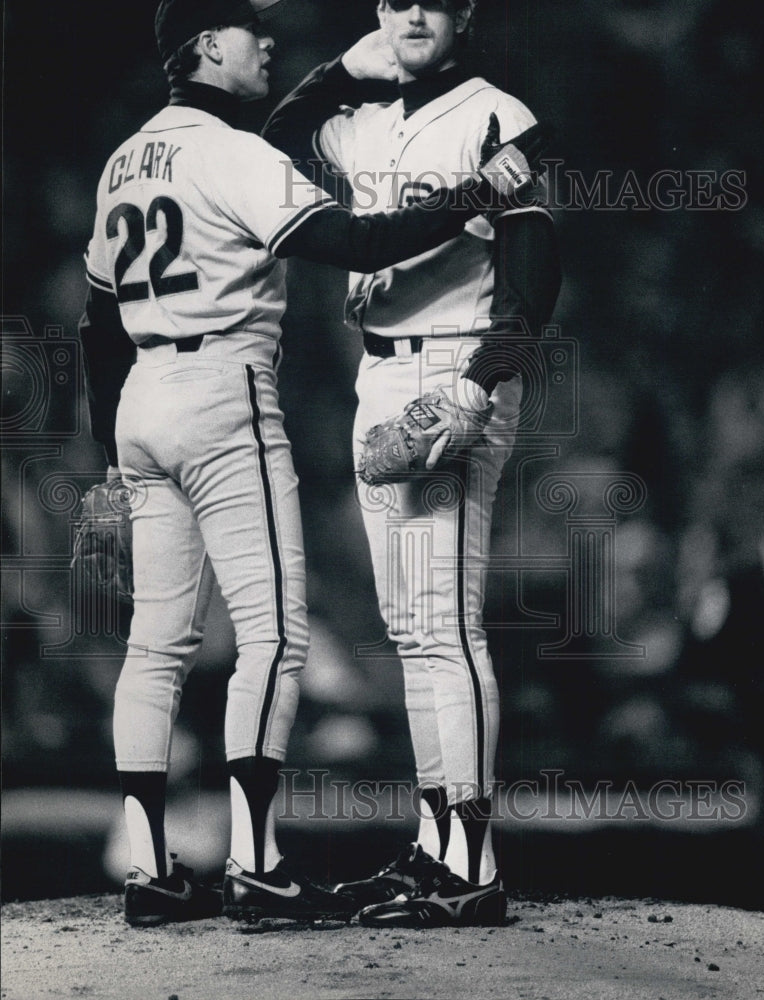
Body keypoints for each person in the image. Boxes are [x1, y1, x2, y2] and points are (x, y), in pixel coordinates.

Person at [79, 0, 542, 928]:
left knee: (162, 643)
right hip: (230, 392)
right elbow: (356, 236)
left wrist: (101, 467)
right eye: (251, 34)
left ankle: (151, 868)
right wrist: (464, 189)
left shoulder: (124, 157)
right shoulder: (255, 147)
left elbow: (96, 325)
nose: (268, 44)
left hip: (147, 400)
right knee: (295, 634)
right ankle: (273, 859)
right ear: (210, 46)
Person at [264, 0, 562, 927]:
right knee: (409, 629)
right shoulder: (358, 126)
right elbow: (265, 146)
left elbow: (535, 269)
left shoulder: (498, 116)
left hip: (452, 366)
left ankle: (472, 866)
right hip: (376, 373)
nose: (414, 13)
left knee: (444, 622)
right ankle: (437, 848)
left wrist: (483, 383)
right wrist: (341, 73)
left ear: (464, 9)